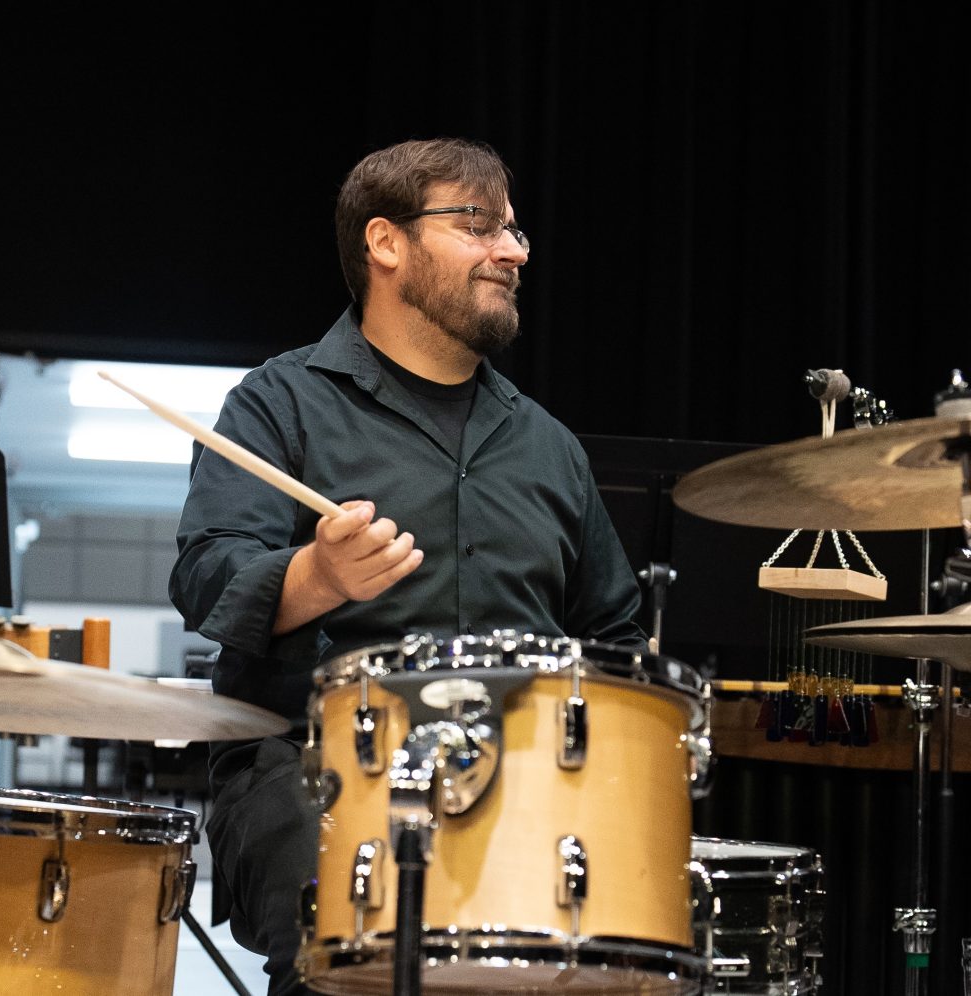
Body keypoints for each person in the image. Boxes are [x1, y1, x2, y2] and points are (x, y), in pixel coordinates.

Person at [169, 136, 650, 995]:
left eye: (513, 231)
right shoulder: (278, 403)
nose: (510, 251)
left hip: (523, 778)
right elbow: (205, 573)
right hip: (313, 769)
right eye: (477, 224)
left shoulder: (549, 446)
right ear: (385, 243)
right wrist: (317, 577)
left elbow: (613, 633)